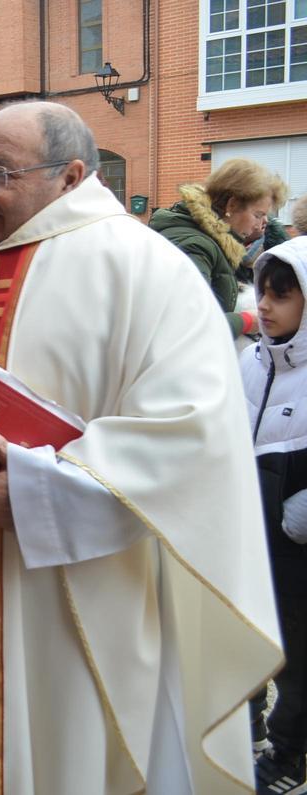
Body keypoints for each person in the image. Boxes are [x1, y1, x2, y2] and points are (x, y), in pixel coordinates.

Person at [0, 101, 279, 794]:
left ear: (72, 174)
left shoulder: (145, 270)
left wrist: (47, 488)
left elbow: (193, 430)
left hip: (58, 586)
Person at [243, 238, 307, 795]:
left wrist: (299, 514)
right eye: (263, 290)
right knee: (239, 636)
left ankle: (289, 756)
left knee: (296, 659)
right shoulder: (252, 357)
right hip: (246, 531)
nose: (264, 304)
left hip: (294, 547)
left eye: (282, 295)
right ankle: (246, 731)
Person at [149, 158, 286, 338]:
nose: (262, 223)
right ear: (232, 205)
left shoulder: (204, 240)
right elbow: (186, 326)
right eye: (258, 214)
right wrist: (246, 321)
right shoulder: (195, 246)